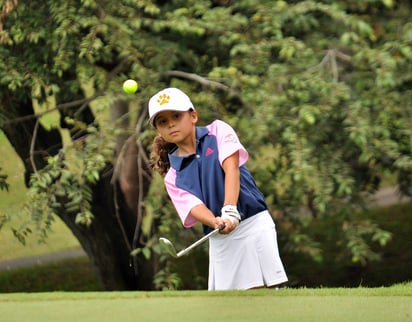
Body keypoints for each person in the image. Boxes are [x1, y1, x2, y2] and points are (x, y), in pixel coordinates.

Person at [148, 87, 288, 290]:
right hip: (222, 235)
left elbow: (231, 168)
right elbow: (195, 207)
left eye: (176, 116)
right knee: (231, 304)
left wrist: (230, 209)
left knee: (269, 291)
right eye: (162, 121)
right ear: (159, 130)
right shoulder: (173, 176)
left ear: (193, 116)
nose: (171, 124)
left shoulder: (218, 131)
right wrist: (215, 221)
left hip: (253, 222)